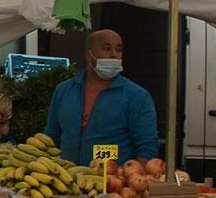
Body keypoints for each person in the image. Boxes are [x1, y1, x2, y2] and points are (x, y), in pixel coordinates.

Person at [42, 29, 160, 165]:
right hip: (68, 179)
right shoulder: (63, 90)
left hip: (113, 181)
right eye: (107, 48)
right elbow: (50, 138)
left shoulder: (137, 96)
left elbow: (147, 147)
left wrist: (135, 178)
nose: (114, 55)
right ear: (88, 55)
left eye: (119, 49)